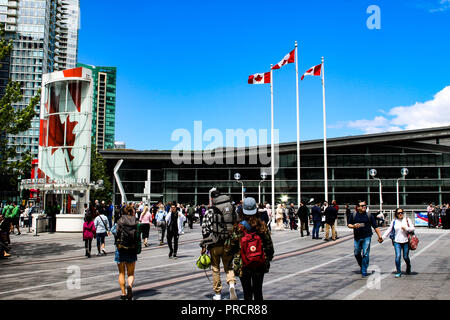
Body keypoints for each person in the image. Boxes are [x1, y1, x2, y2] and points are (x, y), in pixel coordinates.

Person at [229, 197, 274, 300]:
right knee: (258, 291)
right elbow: (269, 246)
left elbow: (231, 246)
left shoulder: (238, 227)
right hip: (259, 262)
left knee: (247, 293)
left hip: (243, 263)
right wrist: (268, 258)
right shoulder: (261, 226)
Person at [200, 188, 238, 301]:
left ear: (212, 198)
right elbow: (236, 221)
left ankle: (217, 294)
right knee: (229, 266)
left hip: (215, 243)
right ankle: (231, 285)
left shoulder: (210, 210)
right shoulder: (231, 207)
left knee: (215, 268)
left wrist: (203, 246)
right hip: (228, 242)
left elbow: (205, 228)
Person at [347, 200, 384, 278]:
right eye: (362, 206)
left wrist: (380, 236)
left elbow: (375, 227)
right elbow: (349, 224)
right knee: (356, 253)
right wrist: (353, 226)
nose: (364, 207)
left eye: (365, 206)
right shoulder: (353, 215)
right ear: (357, 207)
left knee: (365, 253)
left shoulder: (368, 215)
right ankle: (361, 265)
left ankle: (364, 270)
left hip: (367, 236)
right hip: (357, 237)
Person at [115, 204, 140, 300]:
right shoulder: (135, 221)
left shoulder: (120, 220)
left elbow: (116, 232)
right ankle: (129, 286)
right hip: (132, 249)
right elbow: (138, 235)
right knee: (131, 273)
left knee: (121, 273)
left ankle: (123, 293)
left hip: (121, 248)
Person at [381, 208, 414, 278]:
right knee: (398, 256)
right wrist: (383, 238)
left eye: (401, 212)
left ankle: (408, 266)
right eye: (398, 213)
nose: (400, 214)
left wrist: (406, 229)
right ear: (396, 214)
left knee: (405, 257)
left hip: (406, 241)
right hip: (397, 241)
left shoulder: (407, 220)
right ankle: (398, 271)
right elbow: (389, 230)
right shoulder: (394, 221)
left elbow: (412, 228)